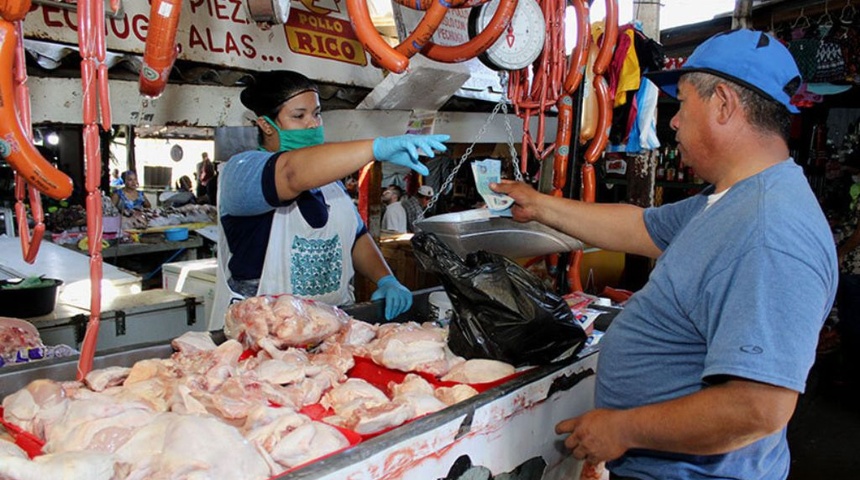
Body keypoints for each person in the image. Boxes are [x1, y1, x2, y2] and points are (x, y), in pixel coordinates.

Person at [491, 29, 838, 479]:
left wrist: (624, 429)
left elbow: (758, 407)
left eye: (684, 104)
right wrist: (539, 204)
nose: (673, 122)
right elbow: (639, 226)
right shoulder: (733, 200)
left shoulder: (769, 231)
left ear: (724, 104)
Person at [212, 70, 448, 328]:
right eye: (298, 116)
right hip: (264, 330)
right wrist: (375, 149)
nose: (313, 124)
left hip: (329, 325)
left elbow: (355, 237)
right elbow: (291, 173)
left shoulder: (330, 182)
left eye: (317, 114)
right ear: (266, 125)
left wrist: (386, 279)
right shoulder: (242, 170)